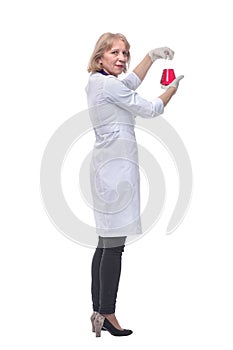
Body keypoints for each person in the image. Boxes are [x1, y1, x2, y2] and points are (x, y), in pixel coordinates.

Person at [85, 32, 184, 337]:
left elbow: (129, 83)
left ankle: (98, 312)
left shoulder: (97, 82)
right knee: (114, 247)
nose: (122, 58)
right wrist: (171, 90)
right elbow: (150, 109)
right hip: (116, 175)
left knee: (105, 243)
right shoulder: (108, 84)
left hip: (107, 170)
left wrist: (151, 57)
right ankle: (108, 313)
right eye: (115, 52)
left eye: (125, 53)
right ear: (100, 56)